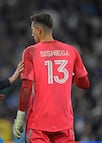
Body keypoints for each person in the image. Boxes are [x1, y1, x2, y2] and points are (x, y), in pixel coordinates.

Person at [13, 12, 90, 143]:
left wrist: (20, 116)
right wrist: (69, 77)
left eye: (33, 31)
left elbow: (26, 87)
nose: (32, 34)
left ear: (39, 30)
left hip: (39, 124)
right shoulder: (71, 51)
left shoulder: (31, 52)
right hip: (64, 124)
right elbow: (85, 84)